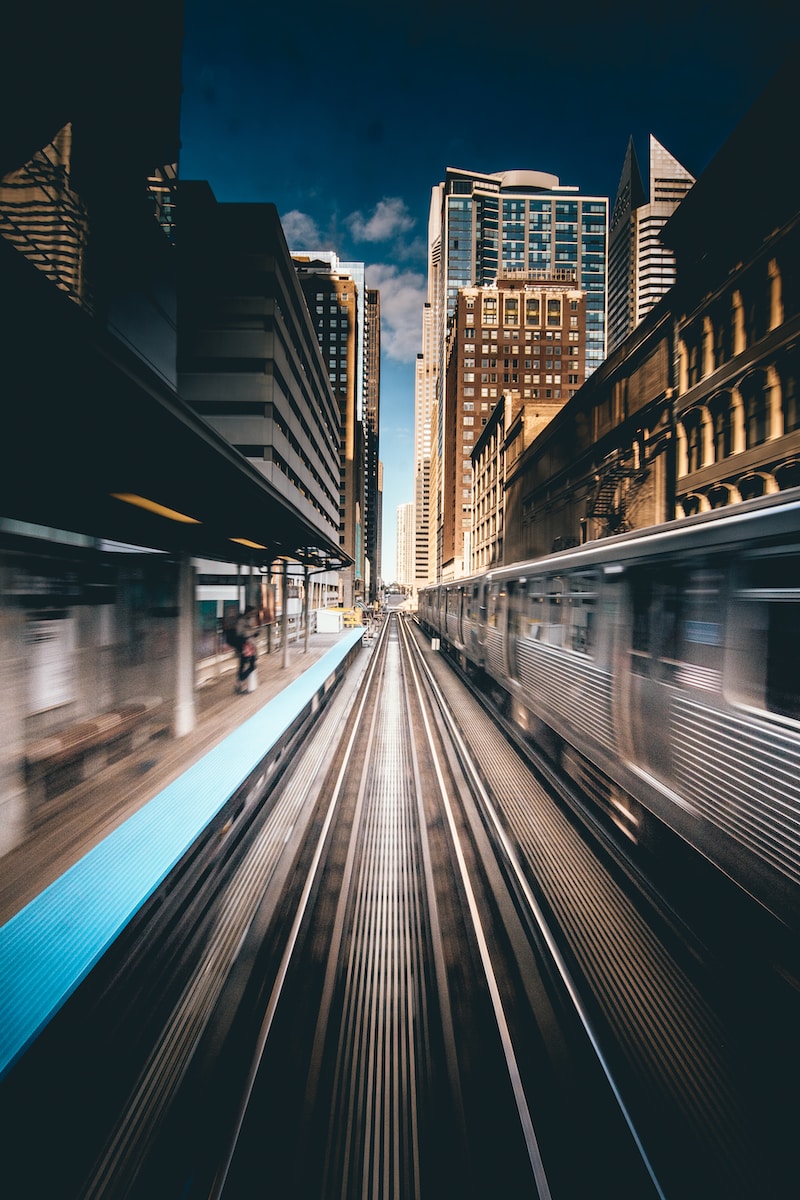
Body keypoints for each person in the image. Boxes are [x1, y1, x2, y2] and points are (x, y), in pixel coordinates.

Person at [234, 607, 258, 693]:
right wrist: (252, 633)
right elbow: (241, 633)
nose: (253, 615)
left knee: (243, 665)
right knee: (250, 666)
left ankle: (240, 685)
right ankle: (241, 682)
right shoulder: (242, 621)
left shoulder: (246, 620)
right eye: (252, 613)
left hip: (248, 646)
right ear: (248, 612)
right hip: (245, 647)